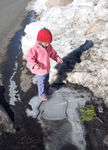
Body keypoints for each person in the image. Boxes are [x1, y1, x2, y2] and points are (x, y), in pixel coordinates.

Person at [26, 27, 63, 101]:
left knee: (46, 81)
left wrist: (57, 58)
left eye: (48, 43)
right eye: (45, 43)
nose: (47, 44)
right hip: (40, 70)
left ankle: (47, 90)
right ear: (40, 41)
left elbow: (53, 54)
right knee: (41, 84)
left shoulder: (48, 47)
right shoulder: (35, 49)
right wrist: (34, 64)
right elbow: (29, 57)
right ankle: (42, 94)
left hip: (46, 68)